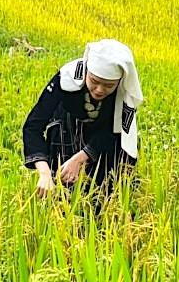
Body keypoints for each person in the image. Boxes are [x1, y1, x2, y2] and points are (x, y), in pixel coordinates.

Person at [23, 39, 142, 197]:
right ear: (86, 71)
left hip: (104, 146)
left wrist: (80, 158)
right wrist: (44, 173)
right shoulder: (65, 79)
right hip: (66, 135)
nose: (99, 90)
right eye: (94, 81)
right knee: (62, 196)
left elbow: (114, 132)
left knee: (104, 196)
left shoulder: (121, 93)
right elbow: (33, 126)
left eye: (108, 85)